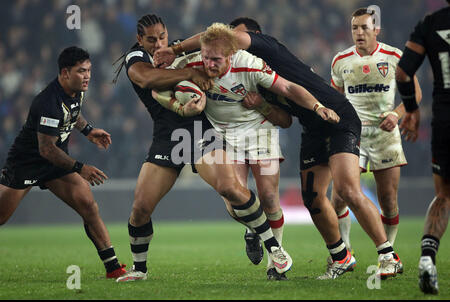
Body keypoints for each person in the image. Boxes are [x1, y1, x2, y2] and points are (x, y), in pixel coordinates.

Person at [154, 17, 402, 280]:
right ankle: (341, 256)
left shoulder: (263, 47)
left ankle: (388, 255)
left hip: (337, 117)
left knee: (347, 190)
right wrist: (261, 106)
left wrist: (175, 48)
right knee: (313, 199)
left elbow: (287, 85)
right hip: (312, 128)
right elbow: (284, 119)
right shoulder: (253, 73)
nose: (232, 44)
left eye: (235, 38)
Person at [112, 14, 292, 282]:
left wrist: (179, 51)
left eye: (162, 36)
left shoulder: (176, 49)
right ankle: (140, 269)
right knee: (140, 209)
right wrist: (189, 75)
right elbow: (148, 80)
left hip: (199, 129)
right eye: (151, 39)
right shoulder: (135, 58)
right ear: (140, 39)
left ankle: (274, 249)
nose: (158, 42)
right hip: (168, 136)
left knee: (229, 188)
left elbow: (215, 40)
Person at [0, 46, 126, 279]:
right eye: (81, 71)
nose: (87, 76)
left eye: (89, 70)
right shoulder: (47, 102)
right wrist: (80, 168)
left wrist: (88, 131)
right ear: (65, 73)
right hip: (27, 163)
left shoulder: (76, 90)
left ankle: (114, 267)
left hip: (54, 164)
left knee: (88, 204)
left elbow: (73, 113)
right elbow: (46, 148)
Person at [330, 8, 422, 252]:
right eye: (354, 28)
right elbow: (336, 101)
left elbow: (416, 93)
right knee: (339, 195)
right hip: (353, 135)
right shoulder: (340, 60)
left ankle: (388, 252)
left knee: (388, 199)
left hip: (385, 135)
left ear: (376, 29)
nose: (358, 33)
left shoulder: (394, 56)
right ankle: (345, 248)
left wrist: (396, 114)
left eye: (364, 27)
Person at [396, 0, 450, 294]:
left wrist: (412, 111)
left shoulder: (431, 23)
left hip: (444, 120)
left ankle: (428, 258)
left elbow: (403, 73)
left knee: (443, 194)